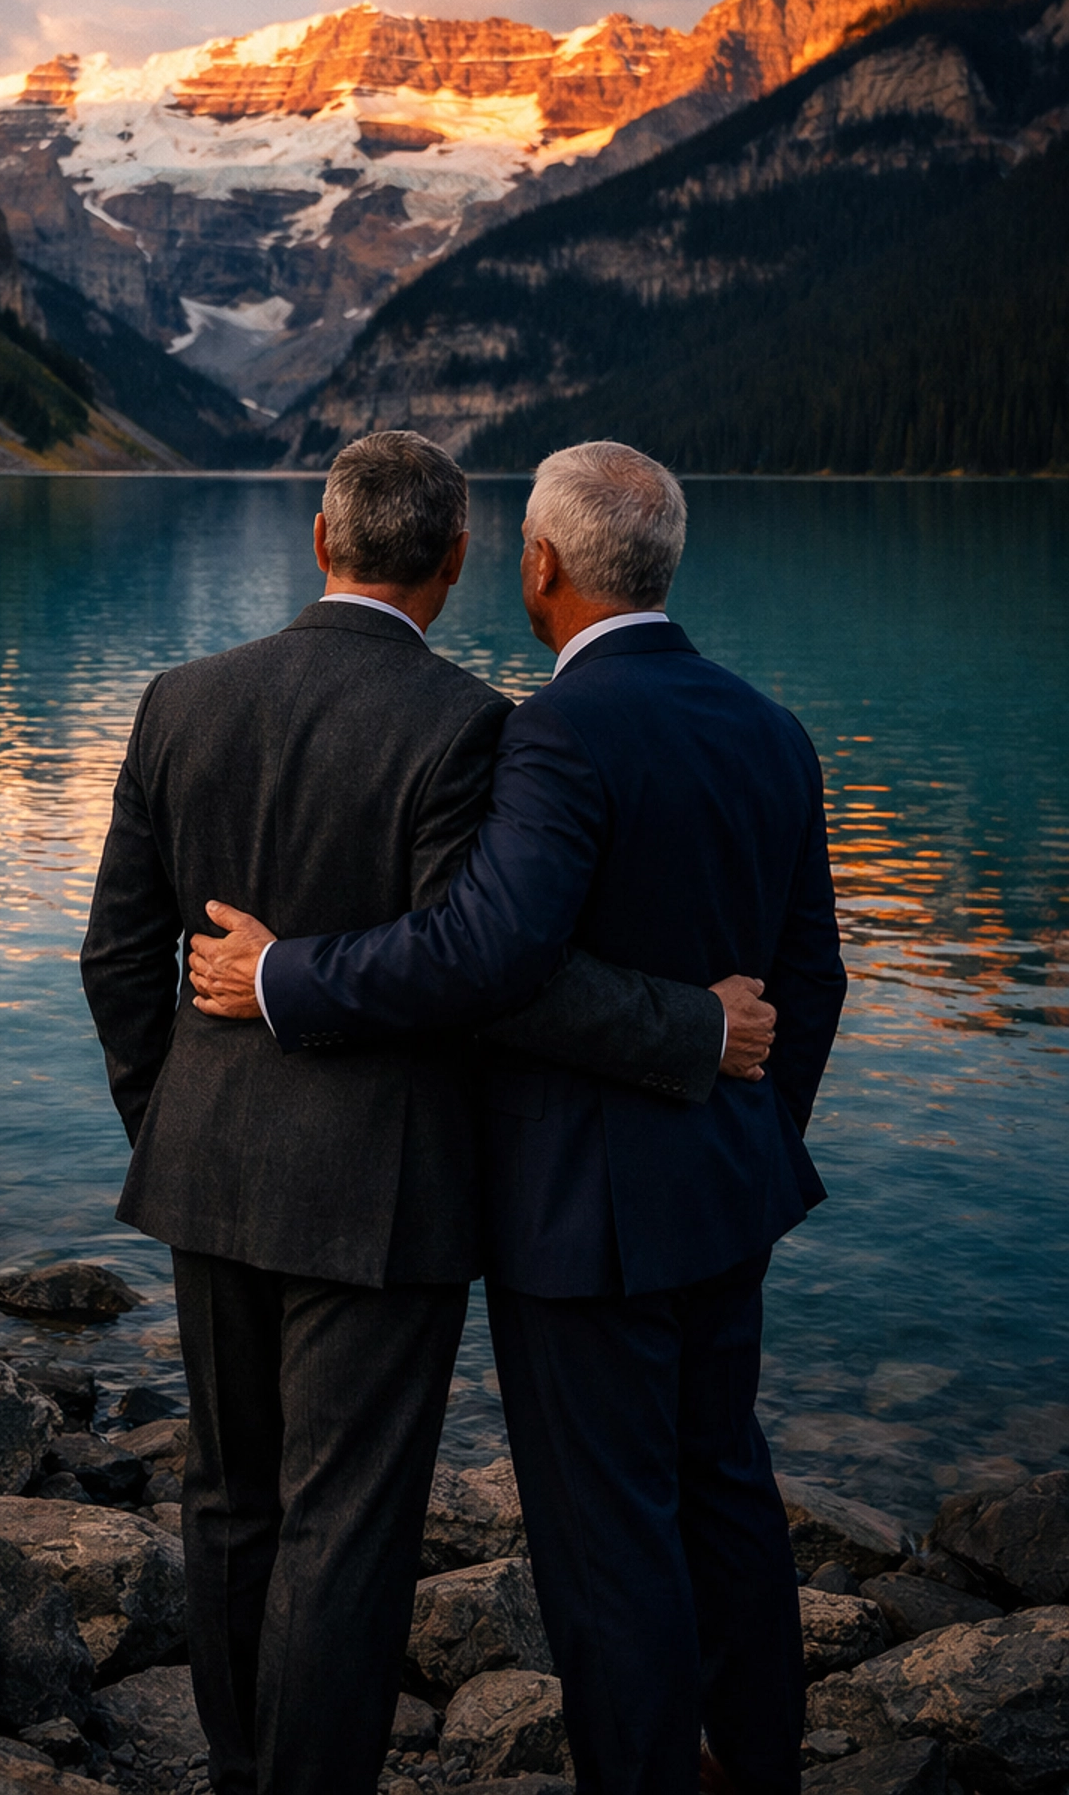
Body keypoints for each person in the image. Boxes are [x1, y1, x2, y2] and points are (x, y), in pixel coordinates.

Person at [81, 431, 776, 1795]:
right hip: (381, 1197)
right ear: (458, 564)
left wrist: (167, 1123)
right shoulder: (469, 726)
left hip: (206, 1167)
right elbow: (493, 976)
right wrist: (696, 1024)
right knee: (346, 1527)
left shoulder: (178, 702)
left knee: (229, 1498)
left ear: (321, 539)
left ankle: (241, 1769)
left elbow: (117, 957)